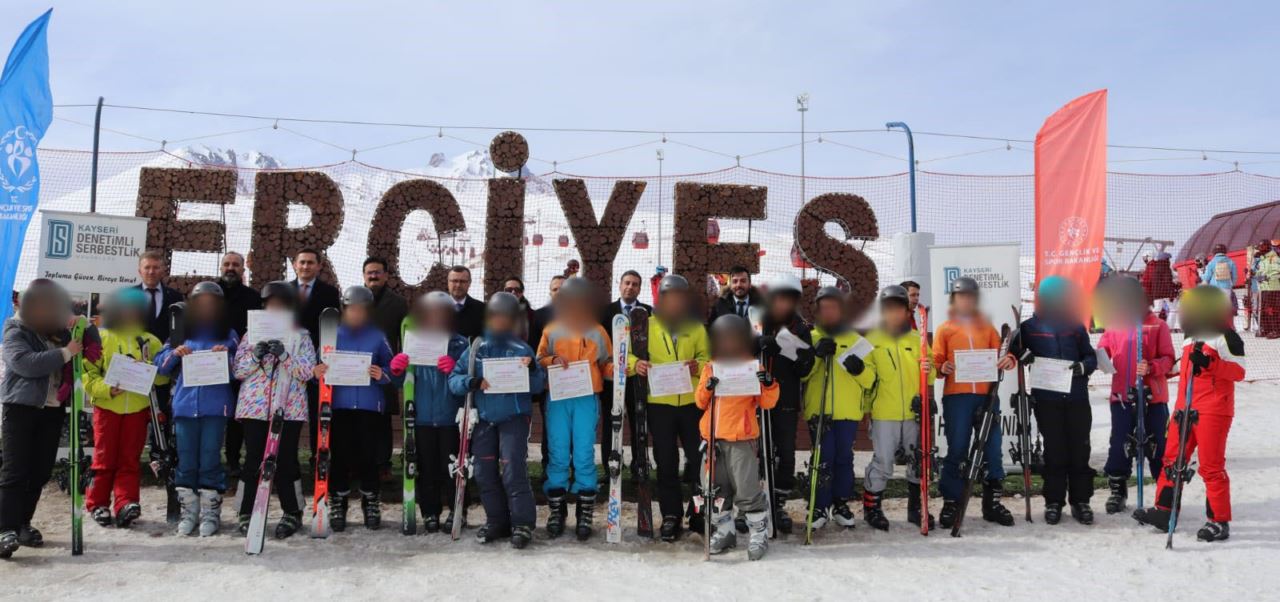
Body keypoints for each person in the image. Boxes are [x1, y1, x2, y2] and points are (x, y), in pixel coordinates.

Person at [1134, 285, 1245, 542]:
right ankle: (1164, 511)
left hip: (1213, 410)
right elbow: (1179, 367)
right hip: (1184, 408)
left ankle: (1218, 521)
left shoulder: (1225, 335)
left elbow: (1239, 371)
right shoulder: (1190, 336)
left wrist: (1210, 363)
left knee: (1211, 466)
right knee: (1172, 460)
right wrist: (1152, 368)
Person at [448, 292, 547, 549]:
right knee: (483, 472)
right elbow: (454, 379)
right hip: (484, 420)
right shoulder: (477, 348)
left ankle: (522, 523)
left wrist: (533, 369)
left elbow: (537, 386)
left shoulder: (521, 348)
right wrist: (471, 382)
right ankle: (497, 520)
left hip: (513, 418)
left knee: (513, 470)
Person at [0, 280, 83, 557]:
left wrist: (79, 321)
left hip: (52, 409)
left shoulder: (53, 328)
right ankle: (5, 529)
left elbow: (85, 333)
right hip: (21, 407)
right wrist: (66, 352)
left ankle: (23, 524)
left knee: (40, 471)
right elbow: (25, 363)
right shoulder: (14, 329)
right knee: (15, 471)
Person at [1008, 276, 1098, 525]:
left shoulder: (1074, 326)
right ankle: (1054, 501)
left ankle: (1081, 501)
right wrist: (1021, 353)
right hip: (1047, 399)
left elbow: (1090, 357)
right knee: (1055, 450)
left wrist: (1083, 366)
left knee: (1080, 450)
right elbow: (1012, 349)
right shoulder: (1030, 327)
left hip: (1076, 397)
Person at [628, 274, 710, 541]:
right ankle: (671, 515)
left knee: (698, 461)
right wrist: (634, 364)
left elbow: (707, 357)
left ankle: (698, 512)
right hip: (659, 405)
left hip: (690, 403)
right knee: (666, 461)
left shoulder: (696, 327)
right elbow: (626, 353)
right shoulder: (646, 326)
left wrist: (699, 365)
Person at [155, 281, 239, 536]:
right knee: (187, 460)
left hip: (215, 406)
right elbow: (160, 364)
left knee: (210, 458)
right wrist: (176, 353)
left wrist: (226, 356)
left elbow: (240, 369)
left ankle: (210, 513)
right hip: (185, 405)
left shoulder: (229, 333)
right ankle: (188, 512)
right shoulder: (181, 330)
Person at [232, 281, 315, 539]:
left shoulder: (302, 337)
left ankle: (293, 511)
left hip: (288, 407)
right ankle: (246, 511)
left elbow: (307, 372)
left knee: (286, 461)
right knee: (254, 459)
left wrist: (285, 356)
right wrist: (255, 356)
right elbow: (238, 371)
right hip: (255, 407)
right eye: (271, 305)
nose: (275, 309)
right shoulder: (250, 335)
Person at [932, 276, 1016, 528]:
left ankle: (992, 502)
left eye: (970, 297)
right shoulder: (945, 329)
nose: (965, 301)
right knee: (957, 448)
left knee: (991, 447)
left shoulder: (986, 328)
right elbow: (936, 360)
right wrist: (942, 367)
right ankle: (951, 501)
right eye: (961, 297)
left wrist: (1008, 360)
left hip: (986, 396)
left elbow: (1002, 353)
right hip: (957, 397)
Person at [535, 277, 612, 540]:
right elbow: (539, 359)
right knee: (557, 452)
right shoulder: (552, 329)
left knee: (582, 453)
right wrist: (552, 359)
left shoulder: (597, 331)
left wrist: (620, 369)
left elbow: (607, 364)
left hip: (586, 397)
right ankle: (557, 510)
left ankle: (584, 511)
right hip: (558, 396)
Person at [312, 286, 394, 532]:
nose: (357, 314)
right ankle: (338, 500)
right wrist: (317, 374)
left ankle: (370, 500)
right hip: (339, 405)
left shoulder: (377, 337)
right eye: (352, 309)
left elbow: (394, 370)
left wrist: (383, 374)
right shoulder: (332, 335)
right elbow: (318, 370)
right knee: (340, 455)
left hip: (370, 406)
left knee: (369, 456)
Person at [697, 314, 779, 560]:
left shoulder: (752, 366)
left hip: (741, 438)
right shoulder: (711, 366)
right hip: (713, 438)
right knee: (714, 488)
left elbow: (768, 401)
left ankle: (758, 533)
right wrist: (708, 387)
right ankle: (725, 530)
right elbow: (700, 401)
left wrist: (768, 383)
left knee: (746, 488)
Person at [83, 288, 166, 529]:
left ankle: (126, 503)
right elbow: (89, 374)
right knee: (104, 457)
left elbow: (162, 378)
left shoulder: (150, 341)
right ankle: (97, 503)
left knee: (129, 459)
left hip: (137, 410)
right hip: (108, 408)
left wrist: (149, 368)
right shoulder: (103, 337)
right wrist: (106, 389)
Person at [389, 291, 469, 532]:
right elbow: (401, 382)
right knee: (427, 468)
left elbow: (469, 381)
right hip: (421, 416)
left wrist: (456, 370)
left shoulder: (460, 343)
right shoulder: (414, 340)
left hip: (449, 417)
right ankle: (430, 511)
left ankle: (458, 510)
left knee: (453, 467)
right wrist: (398, 370)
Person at [1095, 276, 1175, 515]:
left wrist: (1152, 367)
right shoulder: (1115, 324)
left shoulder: (1156, 325)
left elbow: (1169, 359)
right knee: (1120, 443)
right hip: (1122, 395)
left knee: (1157, 445)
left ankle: (1165, 494)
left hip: (1153, 397)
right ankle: (1118, 489)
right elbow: (1102, 350)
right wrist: (1101, 360)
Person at [862, 285, 935, 530]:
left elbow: (932, 374)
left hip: (914, 413)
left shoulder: (918, 339)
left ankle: (915, 509)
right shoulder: (872, 340)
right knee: (883, 462)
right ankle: (872, 508)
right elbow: (867, 379)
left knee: (917, 461)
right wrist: (857, 369)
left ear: (906, 311)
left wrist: (929, 370)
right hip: (885, 412)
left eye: (898, 308)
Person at [803, 286, 875, 529]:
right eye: (824, 307)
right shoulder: (810, 337)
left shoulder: (856, 341)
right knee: (823, 458)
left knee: (844, 458)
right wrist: (815, 355)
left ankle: (840, 503)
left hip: (847, 411)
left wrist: (860, 369)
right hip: (819, 410)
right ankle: (818, 505)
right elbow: (801, 375)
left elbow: (871, 380)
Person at [753, 273, 813, 534]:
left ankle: (777, 502)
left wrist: (802, 363)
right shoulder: (757, 320)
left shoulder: (801, 327)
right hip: (756, 396)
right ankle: (752, 503)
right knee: (757, 452)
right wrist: (759, 344)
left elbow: (806, 365)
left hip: (786, 397)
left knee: (785, 453)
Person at [597, 270, 651, 477]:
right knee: (612, 423)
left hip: (638, 378)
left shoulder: (648, 312)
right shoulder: (605, 312)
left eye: (635, 284)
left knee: (639, 422)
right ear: (619, 285)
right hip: (612, 379)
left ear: (639, 288)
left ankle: (639, 467)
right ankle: (610, 466)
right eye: (627, 283)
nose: (630, 287)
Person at [291, 248, 341, 460]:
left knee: (317, 411)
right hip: (290, 360)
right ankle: (286, 457)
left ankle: (317, 456)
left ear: (319, 266)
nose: (305, 266)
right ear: (295, 265)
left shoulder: (330, 292)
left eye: (310, 263)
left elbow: (332, 327)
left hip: (318, 361)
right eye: (302, 262)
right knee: (286, 411)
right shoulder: (283, 291)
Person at [218, 251, 261, 480]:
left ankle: (233, 460)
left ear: (243, 269)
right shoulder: (209, 293)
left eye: (235, 264)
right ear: (221, 267)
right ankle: (212, 460)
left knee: (237, 416)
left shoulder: (253, 297)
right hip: (210, 363)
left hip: (242, 365)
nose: (230, 268)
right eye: (227, 264)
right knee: (214, 413)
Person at [364, 257, 408, 484]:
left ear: (386, 276)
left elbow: (405, 338)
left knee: (382, 420)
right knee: (359, 418)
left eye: (377, 272)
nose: (373, 276)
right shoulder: (352, 299)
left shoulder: (399, 304)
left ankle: (383, 464)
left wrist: (399, 365)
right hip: (357, 370)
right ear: (364, 276)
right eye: (369, 273)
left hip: (385, 369)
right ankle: (359, 464)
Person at [530, 274, 565, 478]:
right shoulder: (540, 315)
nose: (559, 292)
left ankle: (570, 468)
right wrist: (541, 378)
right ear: (550, 292)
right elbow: (536, 351)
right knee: (550, 427)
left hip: (576, 382)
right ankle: (548, 467)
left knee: (572, 430)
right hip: (550, 382)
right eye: (555, 289)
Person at [134, 250, 184, 344]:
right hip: (137, 354)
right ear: (140, 271)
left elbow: (180, 329)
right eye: (147, 267)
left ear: (162, 271)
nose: (151, 272)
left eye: (156, 267)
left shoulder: (175, 297)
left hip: (165, 354)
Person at [447, 265, 485, 339]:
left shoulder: (482, 309)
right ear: (448, 282)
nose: (458, 285)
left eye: (463, 281)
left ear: (469, 283)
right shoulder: (436, 309)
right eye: (454, 281)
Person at [1200, 243, 1238, 312]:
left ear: (1214, 252)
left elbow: (1206, 277)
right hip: (1226, 288)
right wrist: (1231, 285)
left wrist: (1201, 274)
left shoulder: (1211, 262)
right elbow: (1234, 277)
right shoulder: (1231, 262)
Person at [1255, 242, 1280, 338]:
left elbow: (1277, 272)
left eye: (1261, 247)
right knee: (1263, 309)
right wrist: (1257, 275)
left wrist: (1267, 277)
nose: (1259, 249)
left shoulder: (1274, 258)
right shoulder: (1263, 260)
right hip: (1264, 288)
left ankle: (1276, 330)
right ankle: (1266, 329)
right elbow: (1260, 272)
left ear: (1267, 247)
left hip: (1273, 288)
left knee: (1272, 310)